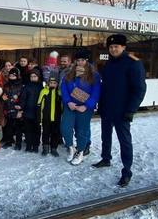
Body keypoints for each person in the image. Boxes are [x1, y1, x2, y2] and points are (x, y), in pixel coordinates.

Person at [92, 34, 147, 187]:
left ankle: (127, 171)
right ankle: (106, 158)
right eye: (111, 47)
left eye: (116, 46)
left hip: (122, 111)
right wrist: (101, 106)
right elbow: (106, 88)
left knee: (124, 141)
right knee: (105, 136)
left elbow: (140, 89)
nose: (113, 49)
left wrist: (131, 110)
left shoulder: (133, 64)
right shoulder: (108, 64)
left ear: (123, 47)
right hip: (107, 109)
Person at [61, 47, 101, 165]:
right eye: (78, 60)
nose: (80, 62)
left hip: (84, 108)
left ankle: (80, 152)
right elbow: (63, 88)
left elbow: (96, 92)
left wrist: (87, 105)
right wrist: (68, 102)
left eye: (83, 60)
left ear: (87, 61)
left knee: (81, 131)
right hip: (70, 106)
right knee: (65, 128)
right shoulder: (69, 73)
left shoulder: (94, 75)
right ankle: (71, 148)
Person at [38, 73, 62, 157]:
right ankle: (45, 148)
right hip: (46, 117)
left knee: (55, 133)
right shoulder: (44, 91)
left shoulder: (59, 93)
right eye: (51, 83)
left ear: (57, 84)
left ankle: (54, 148)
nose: (52, 84)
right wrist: (40, 117)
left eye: (54, 83)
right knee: (45, 133)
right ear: (48, 83)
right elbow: (39, 104)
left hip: (56, 117)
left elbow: (62, 106)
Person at [21, 69, 44, 152]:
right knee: (28, 130)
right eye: (31, 76)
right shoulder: (27, 86)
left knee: (37, 129)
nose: (33, 78)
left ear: (38, 77)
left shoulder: (41, 87)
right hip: (28, 111)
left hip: (38, 112)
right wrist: (21, 108)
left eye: (35, 76)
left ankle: (35, 145)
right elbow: (23, 98)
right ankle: (28, 145)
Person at [1, 67, 24, 150]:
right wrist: (2, 98)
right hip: (8, 108)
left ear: (17, 76)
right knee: (8, 127)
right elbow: (3, 96)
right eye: (10, 76)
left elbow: (22, 99)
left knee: (18, 128)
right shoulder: (6, 85)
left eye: (13, 76)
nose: (11, 77)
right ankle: (9, 142)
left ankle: (18, 144)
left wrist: (20, 110)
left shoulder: (21, 86)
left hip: (17, 109)